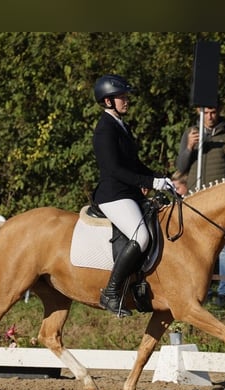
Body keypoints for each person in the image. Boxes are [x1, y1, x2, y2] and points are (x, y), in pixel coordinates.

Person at [91, 74, 175, 317]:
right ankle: (111, 292)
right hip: (113, 195)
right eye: (122, 97)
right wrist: (150, 182)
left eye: (126, 97)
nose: (126, 101)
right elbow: (114, 169)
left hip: (127, 192)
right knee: (141, 236)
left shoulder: (121, 125)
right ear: (108, 102)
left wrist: (160, 179)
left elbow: (134, 164)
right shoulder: (104, 129)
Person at [175, 103, 225, 309]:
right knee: (193, 248)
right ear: (200, 113)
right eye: (206, 113)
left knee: (224, 248)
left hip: (220, 203)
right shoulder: (191, 133)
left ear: (219, 112)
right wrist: (189, 148)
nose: (209, 116)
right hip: (195, 199)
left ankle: (224, 294)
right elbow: (180, 167)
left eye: (213, 112)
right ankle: (202, 290)